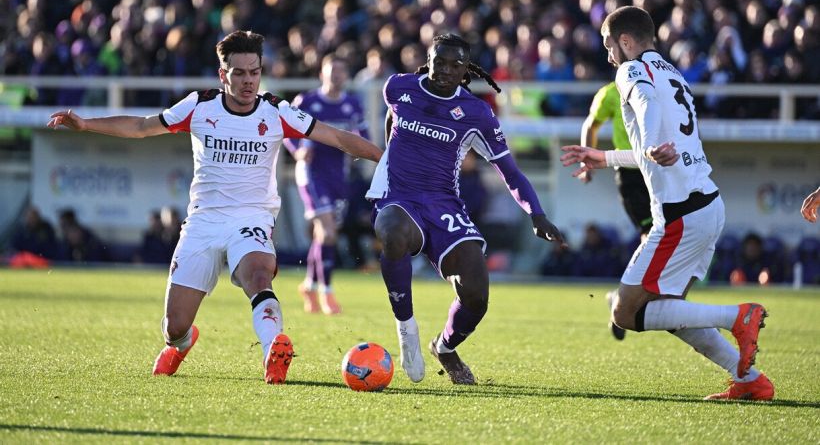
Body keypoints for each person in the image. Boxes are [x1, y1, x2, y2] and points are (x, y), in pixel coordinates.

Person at [47, 30, 382, 384]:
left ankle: (274, 349)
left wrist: (384, 157)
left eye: (254, 72)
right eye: (239, 73)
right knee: (173, 327)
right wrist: (85, 124)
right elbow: (143, 127)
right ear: (224, 75)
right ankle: (182, 342)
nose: (248, 80)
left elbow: (338, 137)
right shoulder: (199, 106)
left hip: (252, 217)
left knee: (258, 274)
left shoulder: (277, 111)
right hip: (204, 222)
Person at [560, 7, 773, 401]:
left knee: (624, 312)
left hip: (681, 216)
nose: (608, 56)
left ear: (625, 42)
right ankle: (750, 381)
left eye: (609, 46)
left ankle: (737, 316)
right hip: (708, 206)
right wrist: (605, 157)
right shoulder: (672, 73)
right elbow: (652, 150)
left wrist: (656, 142)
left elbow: (644, 108)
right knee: (670, 310)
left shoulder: (631, 71)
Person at [367, 33, 566, 385]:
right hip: (401, 196)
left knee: (476, 294)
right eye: (439, 61)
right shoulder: (398, 87)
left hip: (444, 202)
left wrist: (535, 213)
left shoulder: (476, 113)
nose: (445, 70)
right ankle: (406, 329)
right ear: (428, 59)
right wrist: (389, 161)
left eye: (455, 65)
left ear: (465, 71)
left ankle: (444, 346)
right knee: (391, 230)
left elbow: (510, 171)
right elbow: (392, 119)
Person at [284, 54, 369, 315]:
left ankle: (309, 285)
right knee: (329, 232)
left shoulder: (352, 105)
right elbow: (288, 130)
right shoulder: (308, 101)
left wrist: (361, 150)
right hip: (311, 172)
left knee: (325, 235)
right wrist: (298, 150)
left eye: (341, 72)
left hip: (338, 175)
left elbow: (364, 134)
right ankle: (327, 293)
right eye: (332, 72)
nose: (336, 76)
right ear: (322, 74)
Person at [578, 81, 652, 341]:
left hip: (657, 171)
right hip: (630, 173)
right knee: (651, 236)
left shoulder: (653, 85)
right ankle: (624, 300)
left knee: (665, 236)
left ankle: (626, 299)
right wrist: (587, 162)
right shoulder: (610, 93)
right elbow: (592, 124)